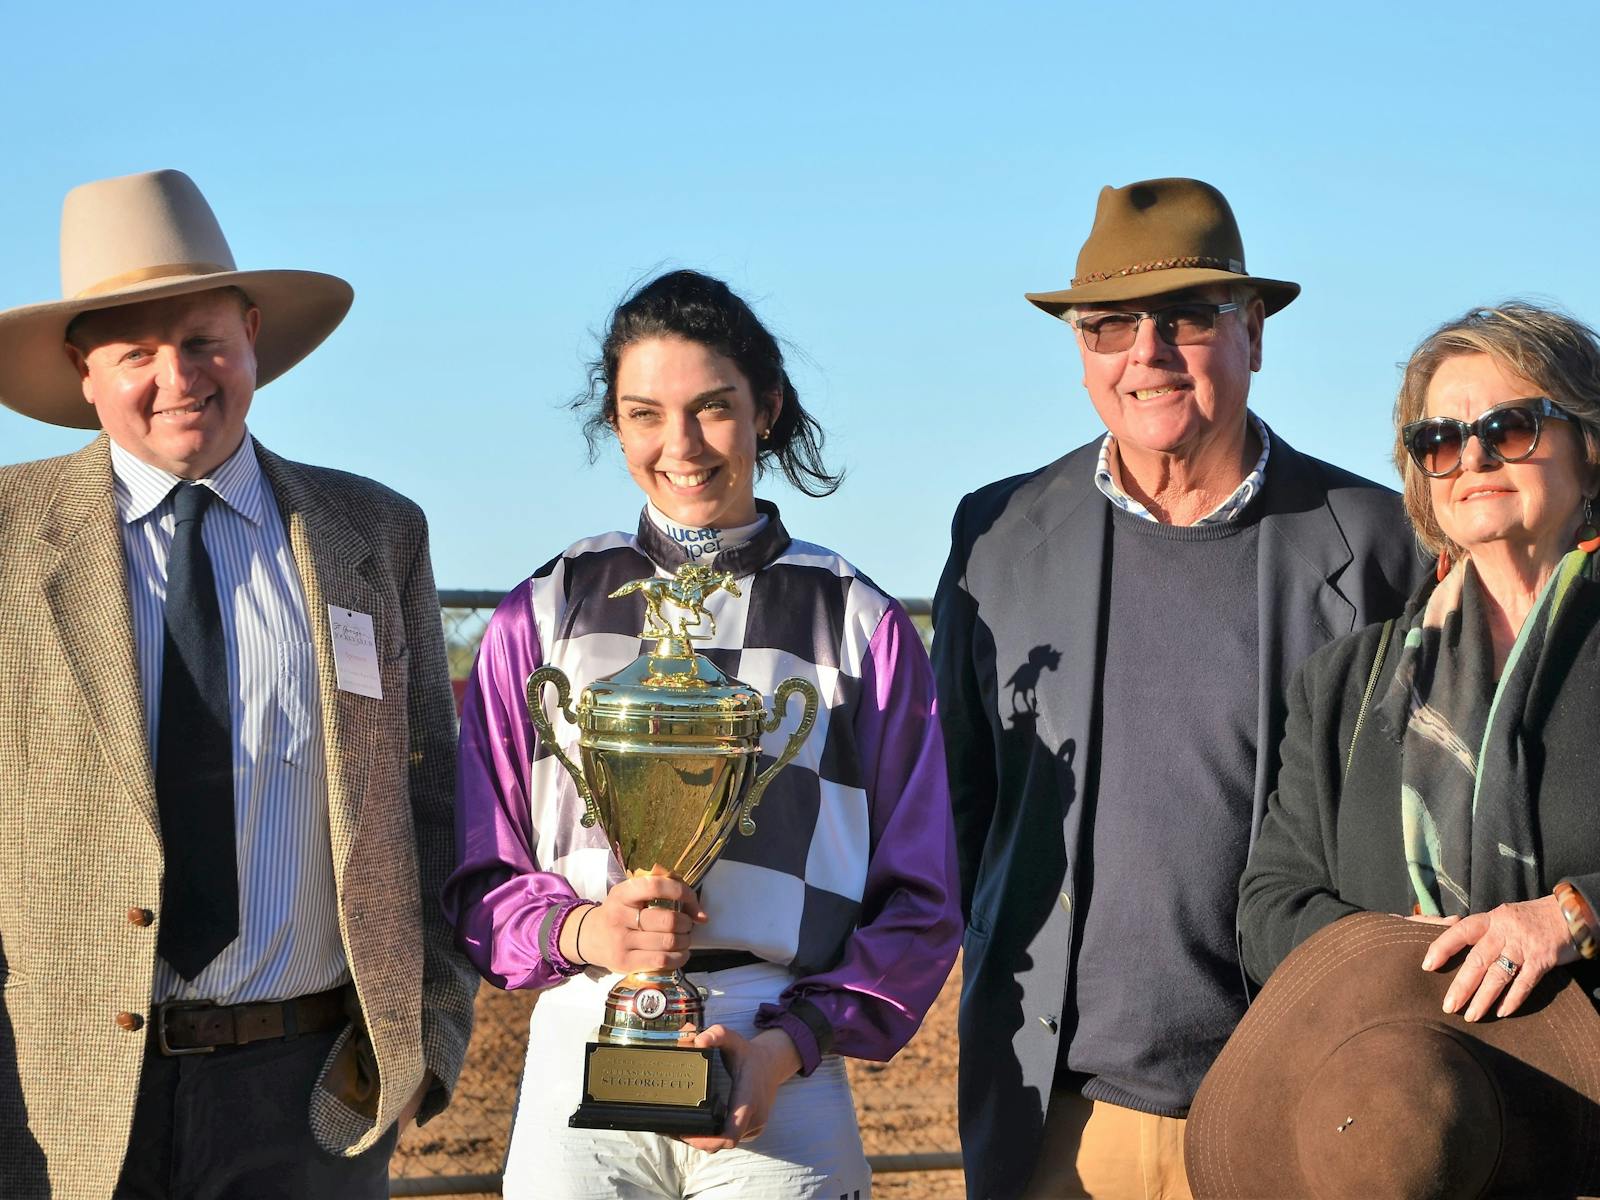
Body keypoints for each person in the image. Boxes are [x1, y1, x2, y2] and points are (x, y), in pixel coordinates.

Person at [932, 177, 1425, 1200]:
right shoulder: (995, 535)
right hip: (1062, 1124)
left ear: (1253, 333)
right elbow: (967, 805)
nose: (1145, 354)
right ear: (1079, 352)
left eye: (1187, 316)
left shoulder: (1385, 544)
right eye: (1108, 324)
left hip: (1302, 1102)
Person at [0, 169, 477, 1199]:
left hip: (309, 1099)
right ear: (85, 370)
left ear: (252, 334)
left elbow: (432, 794)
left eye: (203, 339)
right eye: (135, 351)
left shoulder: (372, 535)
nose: (178, 376)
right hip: (53, 1101)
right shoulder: (2, 544)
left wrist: (425, 1041)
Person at [444, 268, 961, 1200]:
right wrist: (587, 930)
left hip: (779, 1051)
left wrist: (790, 1043)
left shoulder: (861, 622)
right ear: (614, 421)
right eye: (644, 413)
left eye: (712, 408)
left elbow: (921, 900)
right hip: (586, 1031)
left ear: (765, 409)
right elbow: (482, 874)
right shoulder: (542, 612)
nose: (678, 445)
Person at [1238, 301, 1600, 1023]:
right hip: (1408, 1102)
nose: (1473, 459)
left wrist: (1570, 916)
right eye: (1439, 439)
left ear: (1589, 448)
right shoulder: (1344, 682)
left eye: (1511, 427)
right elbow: (1271, 907)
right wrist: (1397, 951)